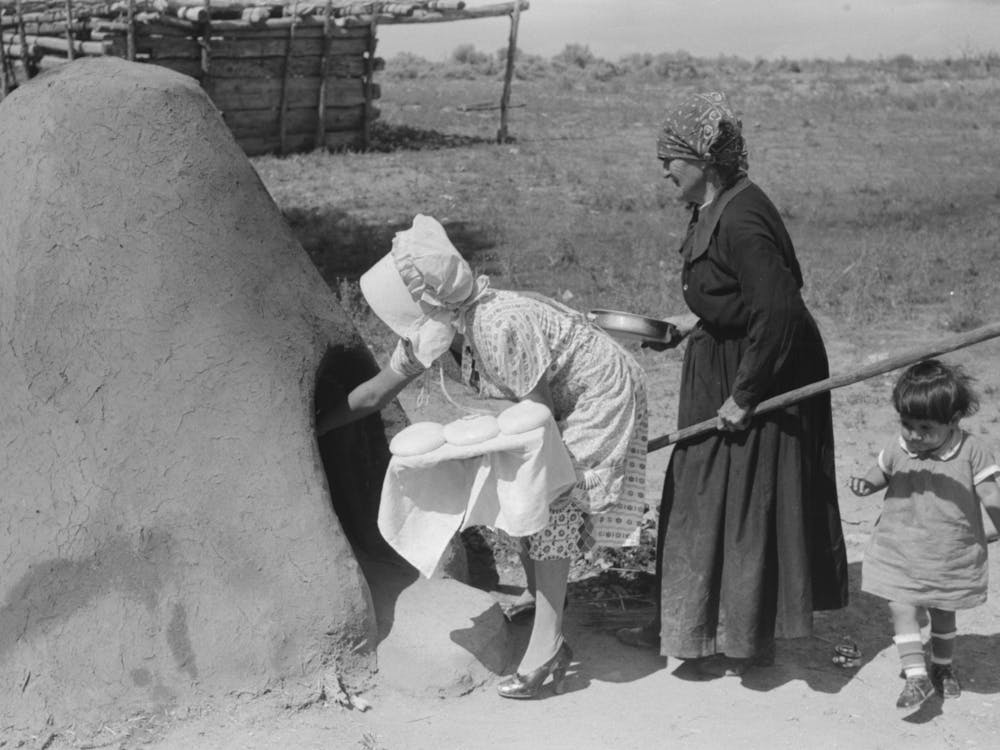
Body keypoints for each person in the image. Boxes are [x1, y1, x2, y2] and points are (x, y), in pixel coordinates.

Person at [317, 214, 648, 699]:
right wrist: (314, 428)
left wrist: (475, 438)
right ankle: (542, 604)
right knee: (521, 485)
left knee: (549, 495)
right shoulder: (438, 331)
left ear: (429, 297)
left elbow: (540, 418)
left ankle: (548, 648)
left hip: (599, 393)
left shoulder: (496, 325)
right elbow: (373, 396)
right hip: (553, 407)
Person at [617, 91, 849, 676]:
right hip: (723, 357)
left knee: (746, 499)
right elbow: (739, 296)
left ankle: (740, 634)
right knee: (697, 491)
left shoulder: (743, 216)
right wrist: (693, 323)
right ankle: (686, 622)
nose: (663, 168)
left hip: (763, 371)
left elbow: (780, 312)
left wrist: (746, 396)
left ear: (705, 158)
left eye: (671, 156)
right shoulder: (713, 206)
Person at [849, 359, 1000, 709]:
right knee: (901, 606)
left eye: (925, 428)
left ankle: (942, 668)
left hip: (949, 554)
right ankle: (915, 676)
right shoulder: (899, 446)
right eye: (907, 424)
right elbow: (881, 472)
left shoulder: (971, 451)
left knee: (944, 613)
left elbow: (990, 494)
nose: (914, 435)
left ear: (953, 421)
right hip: (900, 548)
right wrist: (865, 484)